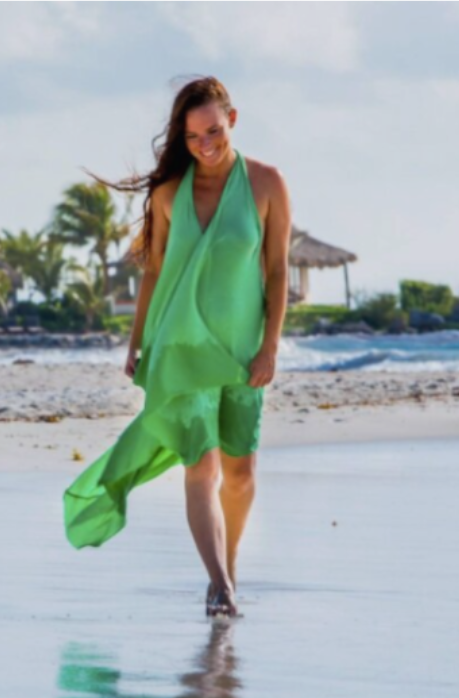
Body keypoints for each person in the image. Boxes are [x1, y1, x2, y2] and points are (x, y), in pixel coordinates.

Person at [63, 76, 291, 617]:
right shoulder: (169, 194)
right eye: (192, 137)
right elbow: (155, 271)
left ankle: (228, 567)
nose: (204, 144)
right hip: (180, 351)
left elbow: (278, 270)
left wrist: (271, 349)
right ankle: (218, 584)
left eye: (212, 131)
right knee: (202, 467)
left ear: (232, 120)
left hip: (240, 352)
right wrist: (137, 341)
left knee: (239, 474)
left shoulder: (266, 184)